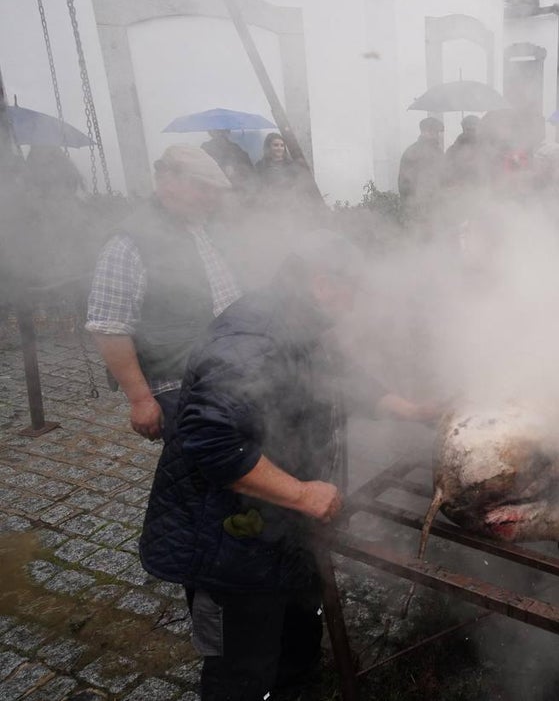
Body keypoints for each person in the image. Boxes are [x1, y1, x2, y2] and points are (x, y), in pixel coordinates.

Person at [139, 230, 439, 701]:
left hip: (282, 535)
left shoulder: (303, 322)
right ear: (322, 282)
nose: (356, 304)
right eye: (353, 291)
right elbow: (209, 438)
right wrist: (302, 494)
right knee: (240, 671)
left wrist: (409, 409)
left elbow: (339, 375)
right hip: (229, 546)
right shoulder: (251, 340)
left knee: (297, 647)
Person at [86, 144, 242, 443]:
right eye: (203, 188)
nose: (212, 198)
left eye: (215, 190)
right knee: (200, 466)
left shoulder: (201, 228)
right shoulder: (128, 244)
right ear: (167, 181)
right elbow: (109, 328)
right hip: (178, 384)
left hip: (220, 375)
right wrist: (141, 400)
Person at [397, 117, 444, 214]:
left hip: (435, 208)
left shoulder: (437, 152)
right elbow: (405, 183)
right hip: (420, 208)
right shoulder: (413, 153)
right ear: (427, 131)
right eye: (436, 132)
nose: (438, 136)